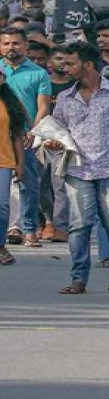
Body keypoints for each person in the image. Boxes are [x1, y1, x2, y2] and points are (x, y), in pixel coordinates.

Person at [50, 42, 109, 294]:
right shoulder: (64, 97)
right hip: (77, 170)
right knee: (79, 224)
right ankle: (78, 278)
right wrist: (52, 140)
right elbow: (57, 130)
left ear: (88, 64)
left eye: (70, 63)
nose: (64, 68)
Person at [0, 27, 51, 248]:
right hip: (1, 135)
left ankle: (30, 228)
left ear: (26, 46)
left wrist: (33, 132)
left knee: (28, 183)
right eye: (6, 43)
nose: (11, 47)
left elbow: (43, 107)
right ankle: (11, 228)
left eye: (16, 43)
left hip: (26, 136)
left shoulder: (39, 73)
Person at [38, 45, 74, 243]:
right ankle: (45, 222)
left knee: (60, 186)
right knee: (40, 185)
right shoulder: (44, 84)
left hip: (65, 142)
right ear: (49, 63)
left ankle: (60, 226)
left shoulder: (76, 85)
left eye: (67, 59)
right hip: (41, 140)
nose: (63, 63)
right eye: (58, 58)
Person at [0, 69, 26, 266]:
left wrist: (20, 162)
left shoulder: (9, 103)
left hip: (4, 160)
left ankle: (0, 245)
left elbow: (17, 134)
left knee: (3, 206)